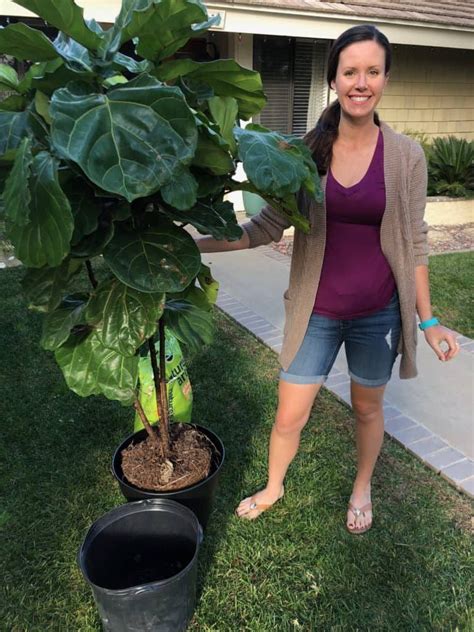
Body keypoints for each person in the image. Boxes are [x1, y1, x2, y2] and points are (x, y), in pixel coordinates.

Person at [196, 24, 460, 534]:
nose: (361, 82)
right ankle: (274, 486)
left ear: (385, 79)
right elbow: (264, 228)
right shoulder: (303, 152)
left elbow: (416, 241)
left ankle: (362, 487)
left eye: (373, 71)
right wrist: (194, 242)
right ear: (335, 80)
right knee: (289, 416)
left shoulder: (405, 156)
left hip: (379, 313)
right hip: (315, 313)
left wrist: (429, 321)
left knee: (367, 410)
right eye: (350, 71)